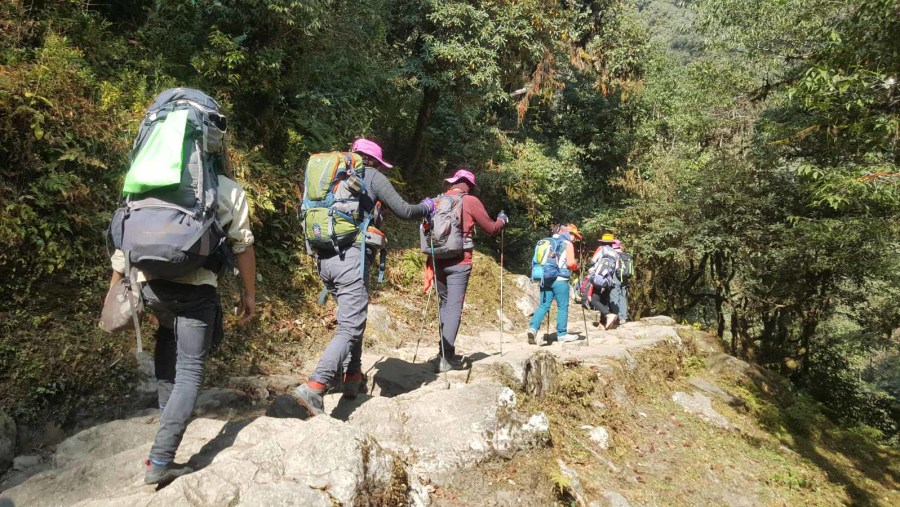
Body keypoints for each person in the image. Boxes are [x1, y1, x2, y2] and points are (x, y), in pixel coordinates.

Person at [107, 128, 256, 484]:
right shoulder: (224, 189)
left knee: (167, 337)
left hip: (149, 287)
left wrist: (113, 294)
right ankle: (161, 459)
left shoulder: (143, 184)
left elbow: (122, 243)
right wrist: (249, 295)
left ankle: (166, 416)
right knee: (190, 371)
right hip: (194, 290)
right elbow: (243, 246)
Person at [292, 139, 434, 415]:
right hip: (351, 260)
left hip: (325, 259)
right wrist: (427, 207)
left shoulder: (331, 176)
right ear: (374, 161)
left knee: (353, 318)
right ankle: (315, 386)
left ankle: (352, 377)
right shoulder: (371, 176)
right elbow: (404, 210)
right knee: (351, 326)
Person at [424, 168, 508, 372]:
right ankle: (446, 357)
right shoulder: (470, 201)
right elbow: (491, 229)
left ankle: (444, 353)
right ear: (469, 185)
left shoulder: (437, 201)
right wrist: (502, 220)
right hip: (460, 262)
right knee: (454, 307)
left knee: (445, 305)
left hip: (438, 260)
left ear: (453, 182)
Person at [526, 224, 581, 344]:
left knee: (544, 305)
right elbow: (571, 264)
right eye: (574, 236)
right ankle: (561, 334)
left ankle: (533, 328)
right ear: (569, 234)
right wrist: (577, 267)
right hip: (560, 279)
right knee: (562, 306)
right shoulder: (567, 244)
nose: (575, 239)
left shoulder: (544, 241)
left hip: (544, 277)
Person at [588, 232, 621, 329]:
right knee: (604, 301)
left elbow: (592, 261)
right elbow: (617, 269)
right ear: (612, 243)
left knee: (594, 300)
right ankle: (603, 323)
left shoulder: (601, 249)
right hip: (609, 281)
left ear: (602, 242)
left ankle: (608, 314)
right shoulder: (616, 254)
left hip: (599, 279)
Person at [610, 239, 631, 325]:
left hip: (616, 278)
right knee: (623, 297)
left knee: (614, 297)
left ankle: (617, 318)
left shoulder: (614, 254)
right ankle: (623, 318)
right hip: (625, 278)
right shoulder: (626, 255)